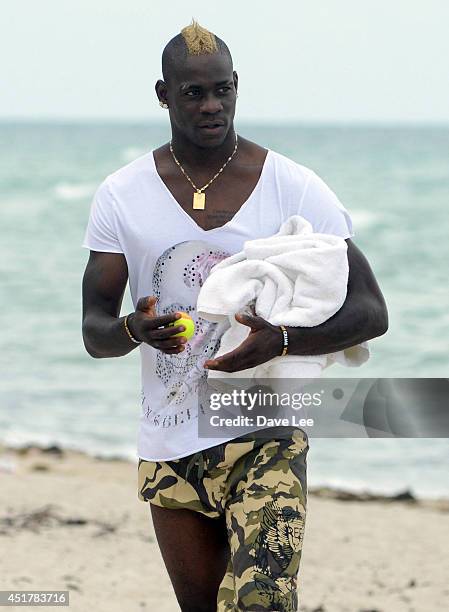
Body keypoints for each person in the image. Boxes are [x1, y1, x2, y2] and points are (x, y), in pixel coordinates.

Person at [81, 20, 388, 612]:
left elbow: (371, 311)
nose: (211, 104)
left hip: (265, 430)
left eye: (222, 89)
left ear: (237, 86)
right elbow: (95, 332)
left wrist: (282, 342)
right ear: (163, 94)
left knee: (262, 604)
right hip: (169, 439)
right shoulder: (122, 194)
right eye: (193, 92)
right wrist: (132, 329)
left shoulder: (294, 187)